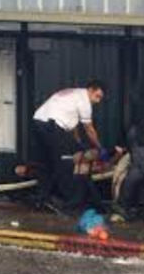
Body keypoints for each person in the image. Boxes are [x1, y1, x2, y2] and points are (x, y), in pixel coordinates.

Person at [32, 80, 106, 210]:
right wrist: (100, 148)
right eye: (97, 96)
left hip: (38, 123)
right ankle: (68, 203)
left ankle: (42, 200)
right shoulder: (84, 100)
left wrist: (78, 144)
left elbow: (73, 127)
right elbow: (89, 129)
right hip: (53, 127)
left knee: (45, 164)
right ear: (90, 90)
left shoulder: (73, 95)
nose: (98, 101)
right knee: (64, 164)